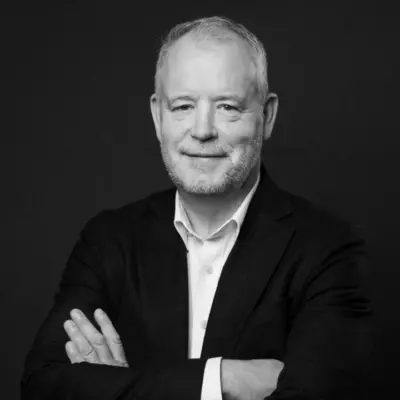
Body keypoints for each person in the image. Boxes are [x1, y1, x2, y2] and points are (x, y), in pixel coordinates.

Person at [21, 16, 373, 400]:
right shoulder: (108, 240)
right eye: (183, 106)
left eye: (227, 106)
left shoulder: (329, 250)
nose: (202, 130)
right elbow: (43, 386)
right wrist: (221, 379)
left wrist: (119, 388)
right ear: (157, 117)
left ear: (267, 116)